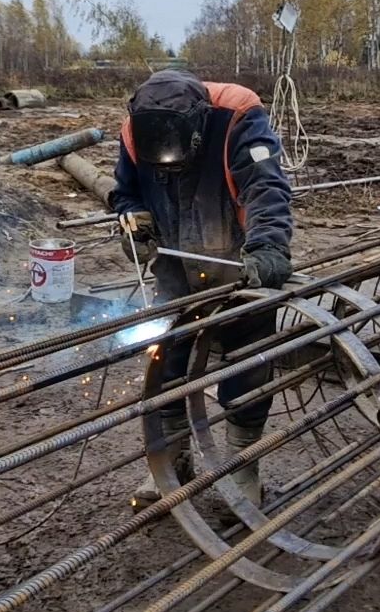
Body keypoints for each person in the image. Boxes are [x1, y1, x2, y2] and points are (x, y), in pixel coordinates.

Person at [109, 69, 294, 508]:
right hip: (175, 262)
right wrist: (134, 221)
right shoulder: (135, 130)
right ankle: (171, 458)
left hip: (238, 259)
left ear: (199, 125)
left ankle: (241, 465)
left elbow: (266, 188)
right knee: (166, 354)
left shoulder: (238, 114)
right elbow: (125, 192)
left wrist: (267, 249)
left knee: (247, 357)